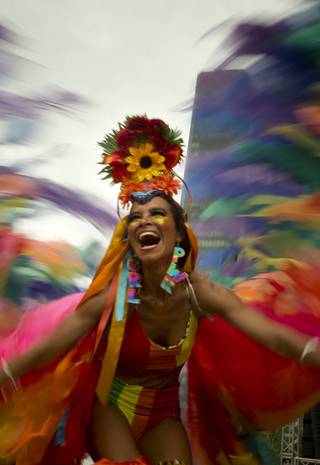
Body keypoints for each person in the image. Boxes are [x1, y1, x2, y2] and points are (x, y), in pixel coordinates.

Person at [1, 116, 320, 465]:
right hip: (110, 409)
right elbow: (50, 347)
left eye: (157, 214)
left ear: (179, 235)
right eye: (136, 218)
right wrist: (6, 373)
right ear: (130, 239)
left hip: (162, 416)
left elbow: (270, 335)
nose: (145, 221)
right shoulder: (115, 298)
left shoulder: (199, 294)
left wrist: (309, 352)